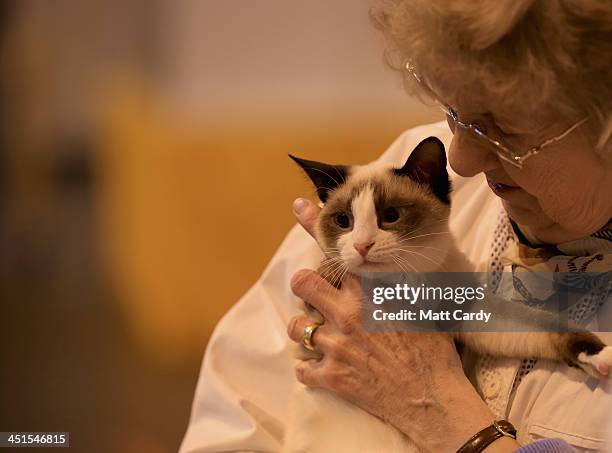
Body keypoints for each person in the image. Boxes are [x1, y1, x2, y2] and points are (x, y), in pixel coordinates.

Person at [180, 1, 612, 452]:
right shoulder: (406, 180)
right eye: (457, 114)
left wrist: (444, 413)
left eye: (505, 130)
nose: (460, 160)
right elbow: (239, 411)